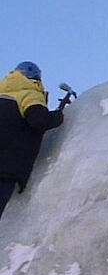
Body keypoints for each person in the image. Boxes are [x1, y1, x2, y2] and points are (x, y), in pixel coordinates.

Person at [0, 62, 64, 219]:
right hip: (6, 169)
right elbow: (39, 120)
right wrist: (58, 116)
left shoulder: (4, 96)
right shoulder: (29, 94)